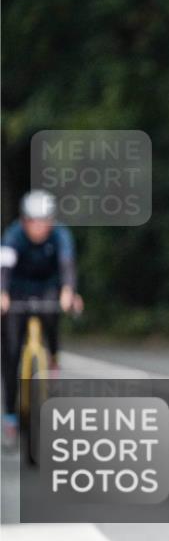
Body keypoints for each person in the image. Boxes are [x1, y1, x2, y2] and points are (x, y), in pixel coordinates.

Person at [0, 189, 82, 447]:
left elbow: (66, 264)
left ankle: (53, 357)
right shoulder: (13, 236)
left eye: (45, 221)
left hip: (48, 288)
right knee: (11, 352)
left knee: (53, 314)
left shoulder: (61, 235)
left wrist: (69, 292)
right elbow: (4, 267)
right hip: (17, 292)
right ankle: (11, 417)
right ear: (24, 221)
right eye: (34, 221)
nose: (40, 227)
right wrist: (2, 293)